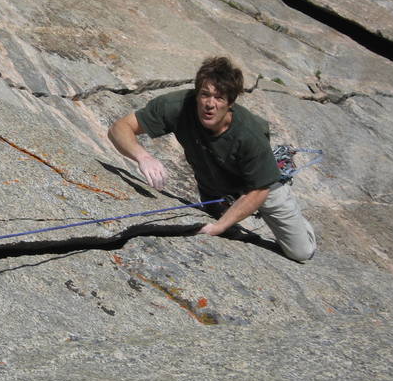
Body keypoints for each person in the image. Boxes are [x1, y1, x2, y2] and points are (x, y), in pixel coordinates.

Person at [108, 56, 316, 262]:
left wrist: (219, 226)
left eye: (219, 98)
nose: (210, 104)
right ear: (197, 94)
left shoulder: (249, 134)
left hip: (261, 185)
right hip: (214, 185)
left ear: (230, 102)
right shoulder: (178, 106)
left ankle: (297, 220)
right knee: (224, 232)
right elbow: (119, 128)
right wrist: (143, 157)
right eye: (205, 95)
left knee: (301, 252)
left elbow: (259, 191)